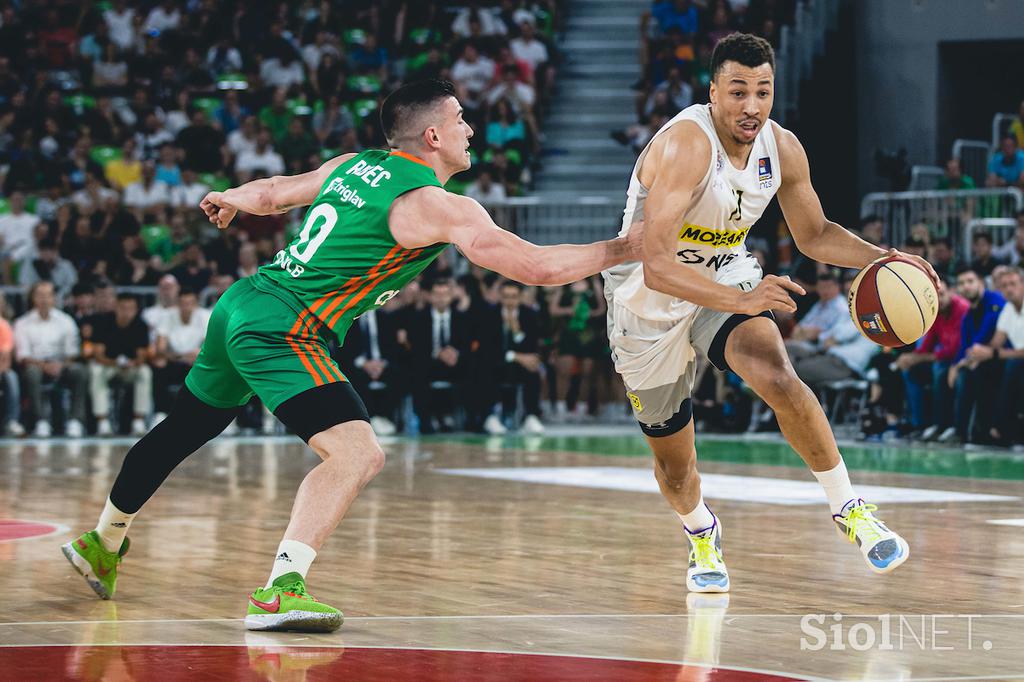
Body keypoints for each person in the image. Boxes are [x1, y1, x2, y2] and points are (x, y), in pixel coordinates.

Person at [62, 79, 642, 632]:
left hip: (241, 302)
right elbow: (533, 267)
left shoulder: (355, 164)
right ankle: (281, 588)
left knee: (183, 429)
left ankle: (102, 542)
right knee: (356, 455)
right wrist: (626, 246)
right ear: (433, 138)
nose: (471, 128)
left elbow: (273, 192)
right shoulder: (441, 206)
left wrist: (232, 198)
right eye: (460, 118)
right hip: (287, 326)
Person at [601, 34, 935, 593]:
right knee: (675, 467)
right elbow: (656, 265)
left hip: (724, 272)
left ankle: (849, 508)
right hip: (647, 299)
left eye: (763, 91)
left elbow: (815, 235)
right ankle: (701, 531)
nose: (751, 106)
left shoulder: (782, 148)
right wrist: (745, 299)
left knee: (779, 374)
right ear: (713, 93)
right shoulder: (687, 145)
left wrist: (887, 259)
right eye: (738, 92)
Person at [14, 282, 88, 438]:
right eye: (40, 295)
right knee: (32, 373)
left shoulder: (66, 321)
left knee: (80, 371)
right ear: (33, 298)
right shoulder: (22, 323)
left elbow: (72, 352)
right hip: (35, 365)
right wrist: (44, 366)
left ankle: (75, 421)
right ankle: (41, 421)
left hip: (62, 364)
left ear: (54, 298)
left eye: (48, 295)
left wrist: (60, 365)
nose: (44, 299)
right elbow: (23, 355)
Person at [897, 280, 969, 440]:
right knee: (910, 371)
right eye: (935, 296)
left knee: (939, 371)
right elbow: (928, 344)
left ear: (952, 291)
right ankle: (919, 425)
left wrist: (920, 357)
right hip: (943, 359)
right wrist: (912, 357)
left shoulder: (962, 309)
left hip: (960, 359)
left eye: (942, 294)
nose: (939, 299)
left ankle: (943, 425)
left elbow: (955, 349)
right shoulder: (936, 311)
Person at [942, 267, 1006, 444]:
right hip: (979, 358)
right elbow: (965, 344)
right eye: (961, 283)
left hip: (1001, 357)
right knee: (948, 373)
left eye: (970, 281)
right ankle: (950, 428)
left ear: (981, 283)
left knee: (969, 374)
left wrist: (962, 363)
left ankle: (971, 432)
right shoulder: (968, 315)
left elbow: (984, 335)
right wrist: (955, 364)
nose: (966, 287)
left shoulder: (995, 301)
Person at [962, 266, 1024, 446]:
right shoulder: (1008, 310)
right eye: (1004, 285)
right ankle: (981, 432)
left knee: (1013, 366)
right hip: (1016, 361)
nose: (1009, 289)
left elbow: (996, 351)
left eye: (1013, 284)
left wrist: (993, 353)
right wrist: (978, 355)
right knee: (983, 367)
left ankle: (1005, 430)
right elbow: (995, 343)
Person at [87, 293, 152, 437]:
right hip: (108, 365)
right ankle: (102, 421)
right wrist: (114, 363)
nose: (127, 312)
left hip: (130, 368)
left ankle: (138, 421)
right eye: (123, 308)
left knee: (145, 372)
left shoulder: (141, 325)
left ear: (136, 310)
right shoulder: (103, 323)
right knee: (96, 371)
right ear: (116, 307)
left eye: (131, 309)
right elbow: (97, 354)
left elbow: (142, 355)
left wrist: (132, 363)